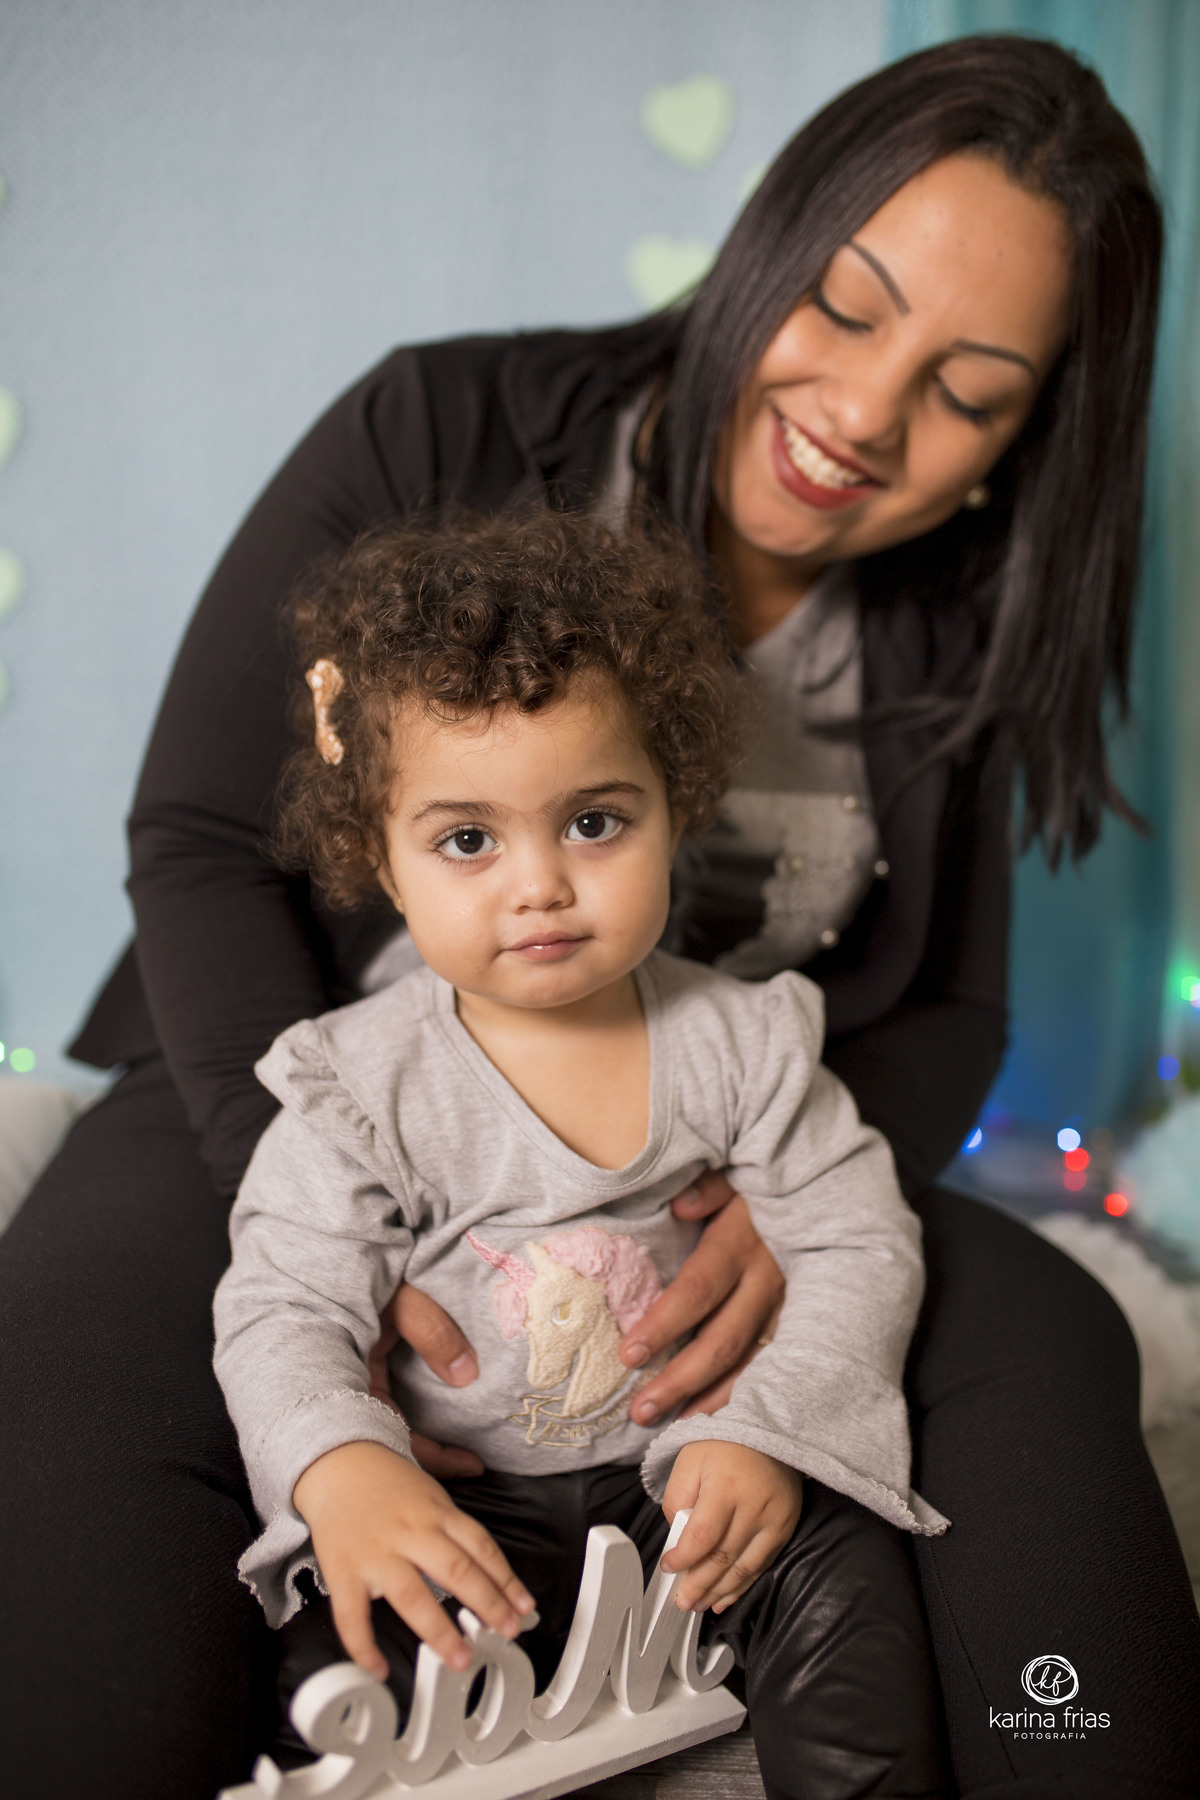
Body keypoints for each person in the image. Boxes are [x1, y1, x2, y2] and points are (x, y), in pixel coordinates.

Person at [1, 32, 1196, 1800]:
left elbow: (947, 1009)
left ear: (1029, 442)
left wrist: (776, 1224)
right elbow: (198, 832)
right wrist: (329, 1182)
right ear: (770, 242)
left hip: (705, 1141)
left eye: (971, 388)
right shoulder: (441, 424)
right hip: (303, 1093)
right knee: (99, 1423)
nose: (868, 414)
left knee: (1050, 1345)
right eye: (849, 308)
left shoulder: (953, 629)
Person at [214, 509, 946, 1796]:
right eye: (467, 840)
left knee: (847, 1584)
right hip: (464, 1496)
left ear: (675, 805)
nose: (540, 884)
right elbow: (283, 1302)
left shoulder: (743, 1040)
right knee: (343, 1662)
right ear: (381, 860)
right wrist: (345, 1467)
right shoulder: (360, 1086)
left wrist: (772, 1433)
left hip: (689, 1478)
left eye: (596, 822)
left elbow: (857, 1237)